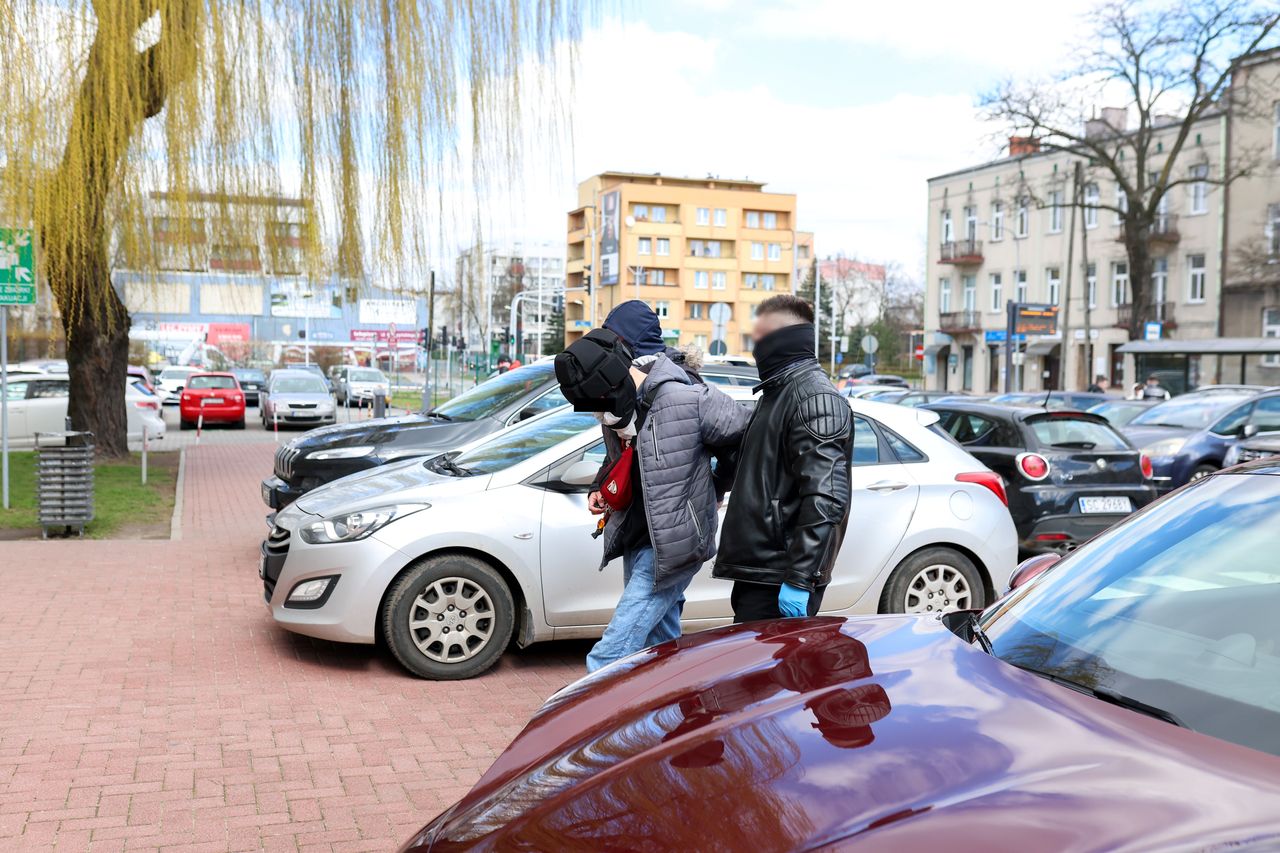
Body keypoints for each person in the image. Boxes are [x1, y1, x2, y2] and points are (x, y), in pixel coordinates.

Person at [555, 303, 750, 672]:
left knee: (613, 652)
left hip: (674, 542)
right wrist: (601, 485)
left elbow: (743, 434)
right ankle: (668, 718)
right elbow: (618, 454)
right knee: (661, 644)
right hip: (637, 531)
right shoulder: (614, 390)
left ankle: (582, 720)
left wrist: (716, 485)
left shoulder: (685, 395)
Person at [713, 294, 853, 621]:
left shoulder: (815, 399)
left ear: (781, 338)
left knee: (774, 670)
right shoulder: (777, 393)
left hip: (780, 575)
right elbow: (760, 464)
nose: (755, 346)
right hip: (763, 572)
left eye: (760, 337)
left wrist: (800, 577)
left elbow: (827, 495)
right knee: (757, 669)